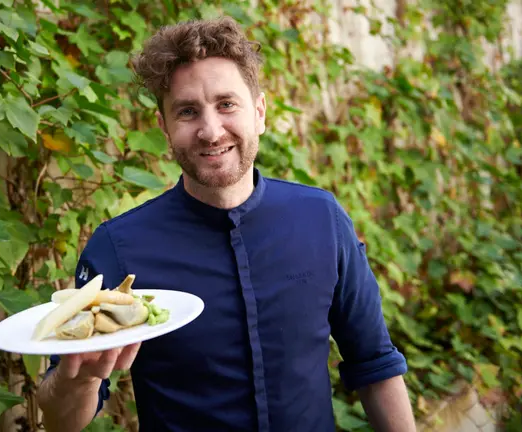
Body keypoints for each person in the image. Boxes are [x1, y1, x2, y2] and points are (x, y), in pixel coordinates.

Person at [37, 15, 417, 432]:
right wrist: (85, 379)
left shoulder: (322, 219)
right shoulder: (118, 247)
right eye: (187, 111)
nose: (211, 130)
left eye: (227, 104)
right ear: (164, 129)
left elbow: (375, 365)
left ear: (259, 112)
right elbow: (61, 422)